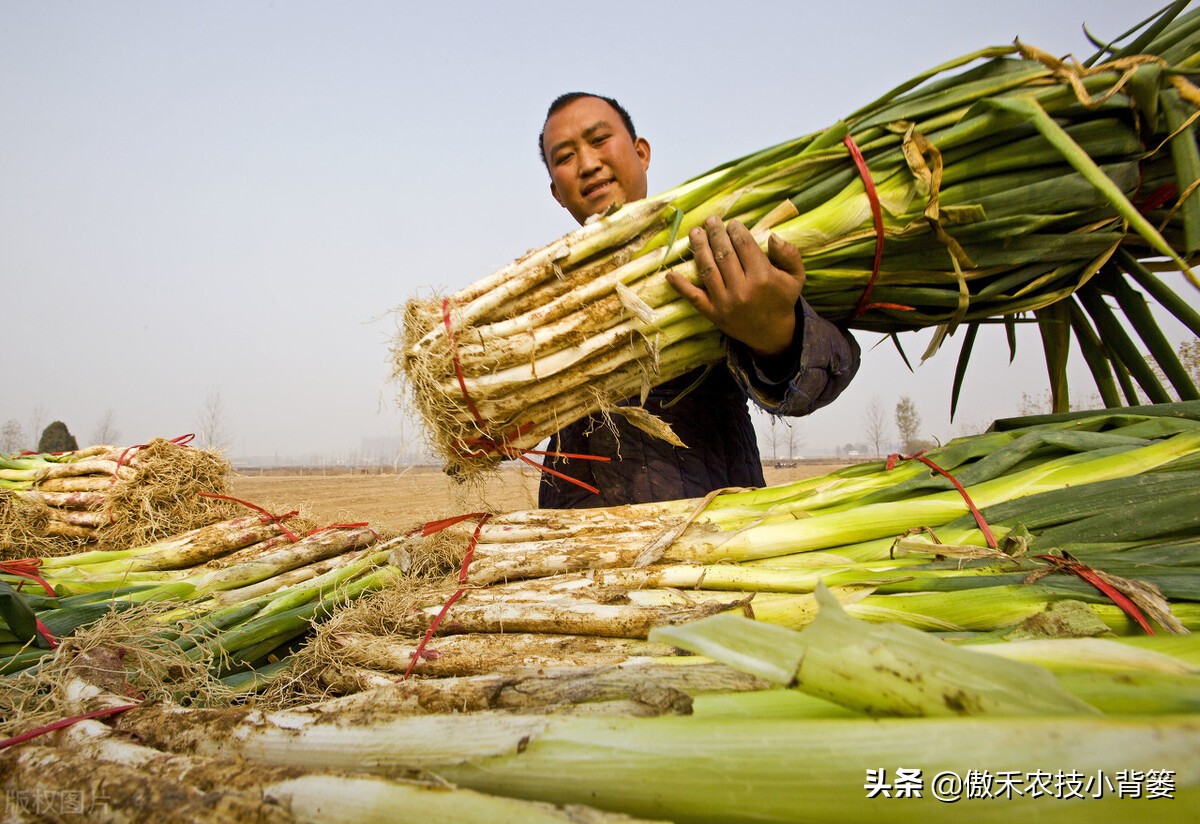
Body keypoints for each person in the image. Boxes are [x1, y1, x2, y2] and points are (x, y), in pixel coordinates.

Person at [536, 92, 859, 508]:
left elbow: (834, 361)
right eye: (565, 157)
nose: (587, 164)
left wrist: (778, 336)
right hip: (575, 534)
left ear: (641, 153)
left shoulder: (711, 252)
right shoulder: (548, 297)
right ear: (556, 193)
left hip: (710, 520)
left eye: (599, 140)